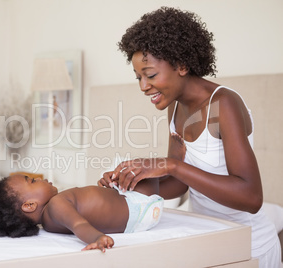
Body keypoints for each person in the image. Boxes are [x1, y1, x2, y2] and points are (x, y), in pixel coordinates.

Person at [98, 6, 281, 267]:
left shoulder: (223, 104)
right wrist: (130, 183)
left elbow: (251, 198)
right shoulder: (174, 106)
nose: (143, 86)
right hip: (209, 240)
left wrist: (170, 164)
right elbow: (180, 184)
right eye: (138, 77)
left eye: (150, 75)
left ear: (182, 65)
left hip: (250, 247)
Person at [0, 173, 163, 252]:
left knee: (140, 176)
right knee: (144, 169)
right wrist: (96, 238)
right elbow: (79, 225)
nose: (41, 177)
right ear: (29, 205)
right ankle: (177, 159)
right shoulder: (55, 205)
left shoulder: (50, 221)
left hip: (135, 211)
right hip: (138, 205)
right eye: (33, 181)